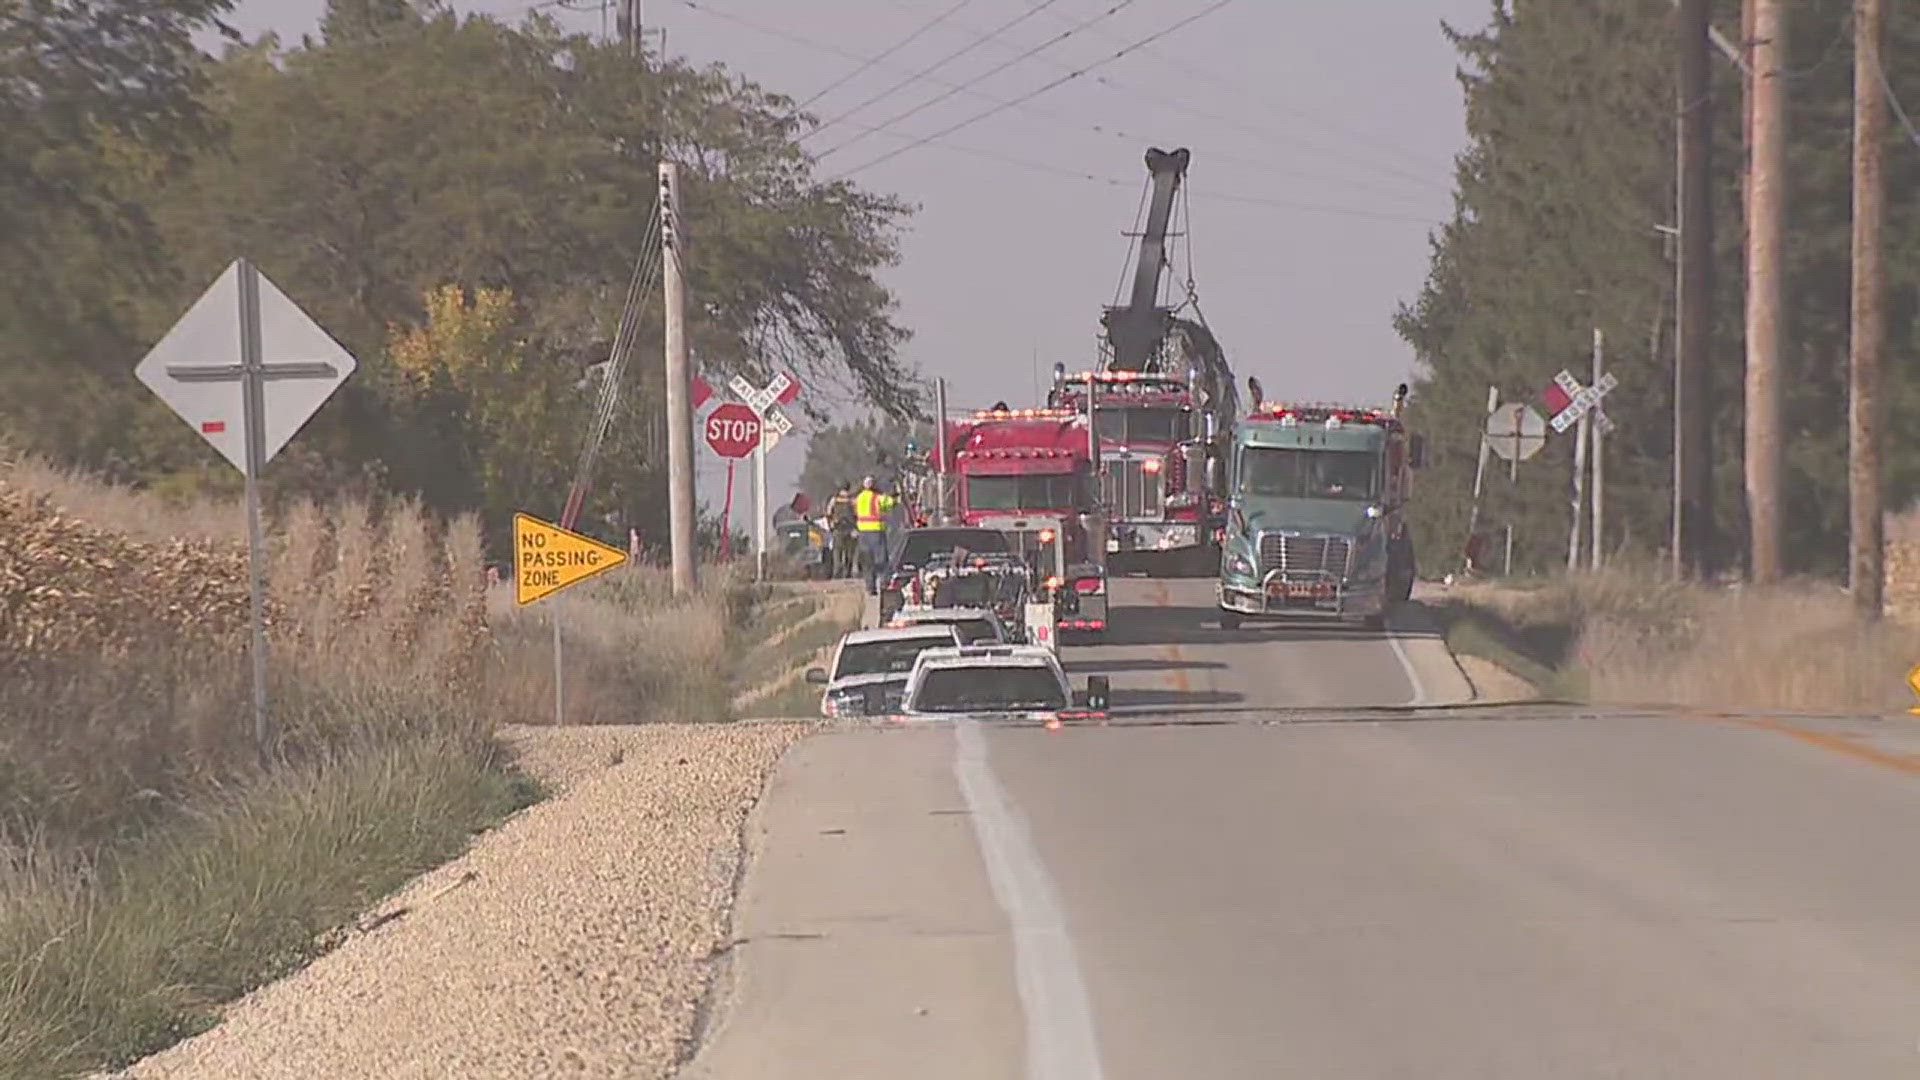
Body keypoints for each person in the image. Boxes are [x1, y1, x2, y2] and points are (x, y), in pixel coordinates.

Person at [854, 474, 897, 594]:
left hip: (863, 533)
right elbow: (890, 503)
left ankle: (870, 587)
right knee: (881, 559)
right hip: (876, 532)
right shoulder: (877, 497)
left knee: (867, 561)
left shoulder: (859, 498)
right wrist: (893, 494)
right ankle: (883, 583)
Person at [827, 481, 857, 578]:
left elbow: (828, 513)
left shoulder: (834, 500)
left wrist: (830, 525)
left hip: (838, 528)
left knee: (837, 551)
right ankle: (847, 571)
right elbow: (857, 514)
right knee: (849, 551)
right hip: (850, 528)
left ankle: (837, 572)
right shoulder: (852, 500)